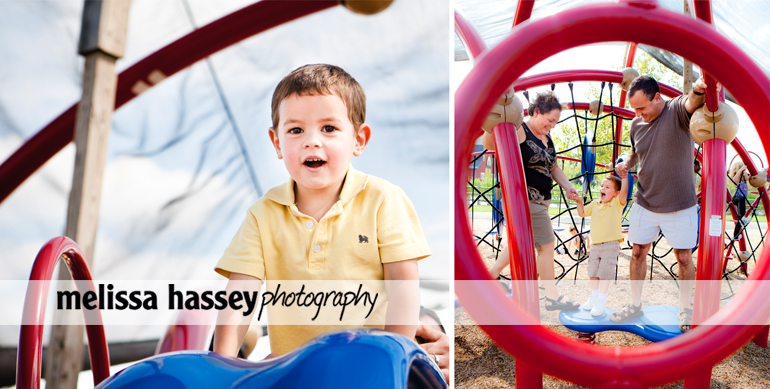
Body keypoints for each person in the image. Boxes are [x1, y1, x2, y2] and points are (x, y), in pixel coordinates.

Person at [212, 64, 433, 359]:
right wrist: (222, 365)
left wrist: (395, 356)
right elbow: (240, 294)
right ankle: (244, 347)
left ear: (359, 139)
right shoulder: (263, 214)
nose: (311, 140)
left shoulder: (382, 199)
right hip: (296, 370)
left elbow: (403, 286)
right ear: (277, 142)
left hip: (368, 365)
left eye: (328, 128)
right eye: (295, 130)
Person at [613, 75, 712, 332]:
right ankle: (635, 304)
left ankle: (686, 309)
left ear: (657, 98)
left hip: (680, 204)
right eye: (635, 109)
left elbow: (692, 102)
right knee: (637, 253)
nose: (638, 114)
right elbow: (636, 150)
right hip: (645, 201)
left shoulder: (677, 110)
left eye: (642, 108)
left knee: (684, 258)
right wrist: (627, 162)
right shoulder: (636, 124)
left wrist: (699, 89)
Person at [485, 91, 581, 311]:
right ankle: (552, 296)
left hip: (543, 200)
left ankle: (489, 278)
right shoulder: (520, 129)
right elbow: (491, 143)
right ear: (537, 112)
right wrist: (492, 121)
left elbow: (554, 167)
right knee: (547, 247)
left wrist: (568, 186)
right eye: (550, 120)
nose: (553, 125)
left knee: (517, 243)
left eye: (556, 121)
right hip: (526, 199)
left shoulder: (546, 138)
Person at [570, 174, 628, 316]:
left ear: (616, 193)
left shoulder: (616, 203)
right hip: (595, 245)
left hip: (610, 245)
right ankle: (594, 296)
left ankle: (601, 299)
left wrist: (625, 177)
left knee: (605, 273)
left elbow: (625, 191)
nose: (603, 188)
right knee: (593, 271)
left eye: (608, 187)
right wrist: (578, 201)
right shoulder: (595, 204)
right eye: (602, 186)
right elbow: (582, 212)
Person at [728, 160, 751, 240]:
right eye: (740, 167)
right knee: (741, 199)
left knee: (740, 218)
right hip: (736, 198)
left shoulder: (744, 177)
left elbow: (748, 178)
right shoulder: (737, 177)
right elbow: (734, 181)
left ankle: (735, 235)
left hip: (742, 199)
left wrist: (745, 173)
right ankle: (743, 217)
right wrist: (740, 170)